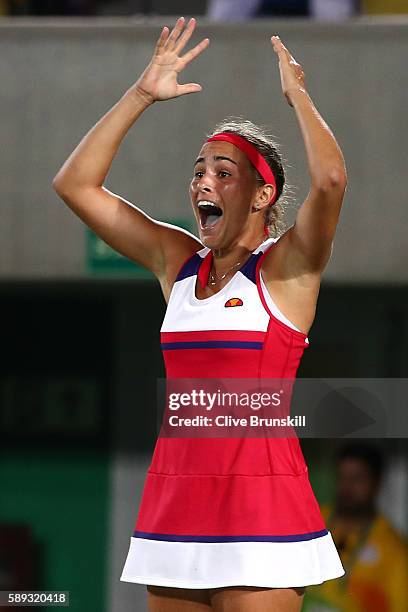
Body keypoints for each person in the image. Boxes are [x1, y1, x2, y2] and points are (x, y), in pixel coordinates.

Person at [53, 16, 347, 611]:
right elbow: (76, 185)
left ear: (263, 196)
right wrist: (140, 95)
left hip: (261, 506)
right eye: (197, 171)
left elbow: (332, 180)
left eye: (221, 172)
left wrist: (298, 96)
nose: (201, 183)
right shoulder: (177, 262)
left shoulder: (286, 270)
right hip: (178, 501)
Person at [304, 443, 408, 612]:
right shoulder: (309, 523)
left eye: (357, 479)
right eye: (342, 477)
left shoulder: (394, 549)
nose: (347, 487)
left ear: (377, 483)